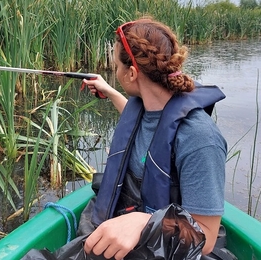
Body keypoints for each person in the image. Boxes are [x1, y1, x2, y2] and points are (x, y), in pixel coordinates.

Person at [79, 16, 227, 260]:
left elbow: (207, 237)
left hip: (174, 249)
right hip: (140, 226)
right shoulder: (146, 106)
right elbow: (144, 125)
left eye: (117, 66)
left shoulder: (200, 138)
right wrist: (110, 90)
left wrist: (145, 222)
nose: (115, 72)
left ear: (132, 73)